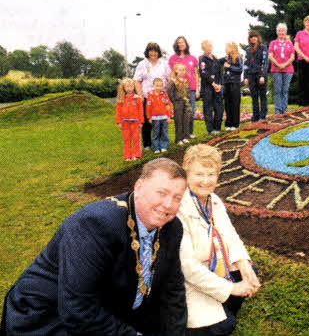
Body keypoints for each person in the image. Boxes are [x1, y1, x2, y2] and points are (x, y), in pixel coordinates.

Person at [1, 158, 188, 335]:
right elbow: (77, 307)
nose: (168, 205)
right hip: (46, 317)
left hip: (108, 314)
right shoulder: (95, 224)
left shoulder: (172, 228)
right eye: (161, 193)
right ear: (139, 187)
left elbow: (172, 291)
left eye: (177, 198)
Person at [178, 144, 261, 335]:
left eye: (211, 174)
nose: (206, 181)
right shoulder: (179, 207)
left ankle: (221, 304)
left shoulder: (213, 200)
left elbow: (231, 236)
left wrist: (244, 264)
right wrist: (231, 288)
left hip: (214, 269)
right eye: (199, 174)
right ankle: (217, 310)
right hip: (188, 281)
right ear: (186, 173)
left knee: (248, 270)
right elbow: (188, 268)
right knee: (225, 326)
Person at [134, 42, 171, 151]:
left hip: (161, 97)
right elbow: (136, 80)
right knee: (147, 121)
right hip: (147, 96)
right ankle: (147, 143)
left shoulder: (164, 64)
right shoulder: (142, 64)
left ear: (158, 52)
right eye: (151, 50)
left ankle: (162, 144)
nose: (153, 53)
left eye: (155, 51)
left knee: (161, 122)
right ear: (147, 52)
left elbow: (170, 79)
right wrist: (140, 95)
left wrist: (168, 95)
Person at [169, 36, 200, 138]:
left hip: (190, 89)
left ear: (186, 44)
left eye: (182, 42)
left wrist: (197, 89)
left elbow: (196, 74)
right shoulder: (173, 58)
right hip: (179, 91)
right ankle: (180, 136)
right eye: (178, 42)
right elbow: (172, 75)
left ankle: (189, 133)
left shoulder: (192, 58)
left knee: (190, 112)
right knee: (180, 114)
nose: (180, 44)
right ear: (176, 45)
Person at [268, 23, 295, 114]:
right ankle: (278, 110)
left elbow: (292, 57)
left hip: (288, 70)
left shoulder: (289, 43)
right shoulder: (273, 43)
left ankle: (285, 109)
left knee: (285, 90)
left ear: (285, 31)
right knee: (278, 90)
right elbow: (270, 56)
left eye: (283, 30)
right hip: (276, 70)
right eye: (279, 30)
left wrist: (284, 65)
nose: (281, 32)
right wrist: (278, 65)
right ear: (277, 32)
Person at [199, 40, 224, 134]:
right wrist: (213, 83)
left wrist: (220, 84)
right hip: (207, 88)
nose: (209, 48)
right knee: (208, 109)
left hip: (217, 88)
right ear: (203, 48)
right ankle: (210, 129)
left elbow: (220, 72)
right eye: (207, 46)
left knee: (219, 108)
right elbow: (203, 73)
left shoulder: (215, 59)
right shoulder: (202, 59)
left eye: (210, 46)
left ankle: (217, 128)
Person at [115, 78, 143, 161]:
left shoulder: (137, 98)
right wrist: (118, 122)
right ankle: (127, 155)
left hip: (135, 122)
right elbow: (118, 111)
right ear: (124, 87)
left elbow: (140, 110)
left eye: (131, 86)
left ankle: (136, 154)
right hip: (125, 122)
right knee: (126, 139)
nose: (129, 88)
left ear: (133, 87)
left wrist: (141, 122)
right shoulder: (121, 98)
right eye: (127, 86)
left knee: (136, 138)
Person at [244, 31, 269, 120]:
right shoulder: (247, 50)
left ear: (258, 37)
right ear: (249, 39)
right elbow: (246, 64)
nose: (253, 38)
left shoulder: (263, 47)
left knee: (262, 95)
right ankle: (255, 115)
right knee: (254, 96)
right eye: (251, 37)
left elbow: (265, 62)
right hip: (251, 75)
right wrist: (245, 77)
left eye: (255, 36)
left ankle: (263, 115)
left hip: (260, 74)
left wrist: (262, 75)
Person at [146, 77, 173, 153]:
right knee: (156, 133)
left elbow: (168, 106)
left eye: (160, 86)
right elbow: (148, 107)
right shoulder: (150, 96)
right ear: (153, 86)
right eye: (157, 85)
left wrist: (169, 116)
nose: (159, 87)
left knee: (164, 132)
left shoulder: (164, 95)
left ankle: (164, 146)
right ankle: (156, 148)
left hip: (164, 117)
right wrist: (149, 117)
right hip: (155, 118)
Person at [167, 63, 192, 145]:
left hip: (186, 103)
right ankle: (179, 139)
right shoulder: (173, 81)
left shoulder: (186, 81)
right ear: (176, 71)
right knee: (178, 121)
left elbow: (188, 92)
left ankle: (186, 137)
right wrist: (175, 100)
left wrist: (189, 102)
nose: (182, 71)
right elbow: (170, 92)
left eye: (184, 70)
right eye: (180, 70)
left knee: (186, 120)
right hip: (178, 103)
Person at [221, 42, 243, 131]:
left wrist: (229, 66)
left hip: (235, 83)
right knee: (227, 104)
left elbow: (240, 69)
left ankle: (235, 124)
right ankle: (228, 123)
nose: (225, 49)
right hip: (226, 83)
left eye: (227, 47)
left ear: (232, 47)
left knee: (235, 103)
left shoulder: (238, 57)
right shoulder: (227, 58)